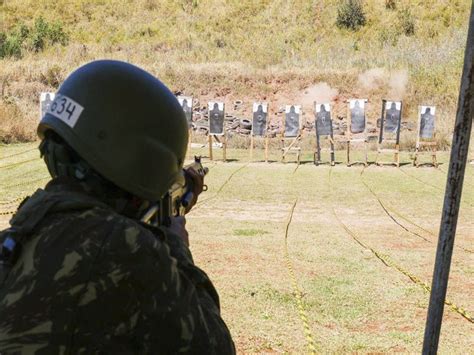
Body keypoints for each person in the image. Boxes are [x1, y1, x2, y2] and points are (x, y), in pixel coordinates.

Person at [0, 60, 235, 354]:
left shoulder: (21, 233)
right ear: (141, 162)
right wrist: (176, 244)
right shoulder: (122, 246)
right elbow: (213, 346)